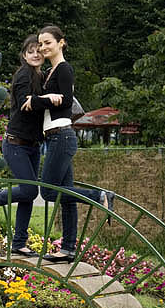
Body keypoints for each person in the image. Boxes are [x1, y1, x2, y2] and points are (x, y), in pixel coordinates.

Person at [22, 25, 114, 263]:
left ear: (61, 43)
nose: (43, 48)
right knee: (66, 195)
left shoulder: (64, 69)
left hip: (61, 136)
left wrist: (38, 100)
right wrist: (42, 98)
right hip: (55, 136)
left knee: (50, 191)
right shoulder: (51, 72)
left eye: (47, 43)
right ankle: (68, 249)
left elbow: (64, 102)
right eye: (40, 44)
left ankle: (99, 195)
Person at [0, 34, 62, 257]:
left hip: (32, 144)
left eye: (38, 51)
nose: (35, 54)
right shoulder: (24, 75)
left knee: (27, 194)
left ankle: (19, 243)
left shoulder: (40, 75)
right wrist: (50, 98)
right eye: (30, 51)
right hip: (16, 143)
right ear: (24, 55)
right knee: (28, 189)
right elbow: (28, 103)